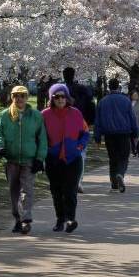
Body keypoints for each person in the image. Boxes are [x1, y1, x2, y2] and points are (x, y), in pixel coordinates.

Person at [0, 85, 48, 235]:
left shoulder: (36, 116)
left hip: (29, 160)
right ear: (12, 97)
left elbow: (42, 139)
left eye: (22, 95)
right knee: (14, 191)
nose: (19, 98)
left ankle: (26, 220)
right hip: (11, 159)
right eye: (16, 96)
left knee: (27, 190)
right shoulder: (5, 115)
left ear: (27, 97)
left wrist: (40, 158)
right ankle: (17, 219)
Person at [42, 83, 90, 233]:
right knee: (56, 192)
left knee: (70, 191)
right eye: (57, 97)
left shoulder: (76, 113)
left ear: (67, 97)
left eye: (63, 96)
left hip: (73, 159)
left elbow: (85, 133)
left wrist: (79, 147)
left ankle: (71, 219)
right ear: (52, 99)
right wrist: (48, 150)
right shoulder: (44, 115)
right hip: (53, 160)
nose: (60, 99)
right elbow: (40, 136)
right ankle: (59, 219)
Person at [95, 78, 137, 192]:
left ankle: (114, 183)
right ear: (118, 86)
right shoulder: (125, 100)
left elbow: (97, 121)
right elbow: (132, 118)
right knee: (124, 157)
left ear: (109, 87)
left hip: (109, 134)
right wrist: (136, 132)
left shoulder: (102, 101)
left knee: (112, 158)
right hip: (123, 133)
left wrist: (97, 137)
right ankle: (120, 174)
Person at [60, 67, 96, 192]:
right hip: (81, 125)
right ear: (74, 75)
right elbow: (91, 106)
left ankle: (66, 180)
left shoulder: (59, 91)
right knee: (81, 153)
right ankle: (78, 181)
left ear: (64, 76)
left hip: (62, 126)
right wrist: (90, 122)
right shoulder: (83, 90)